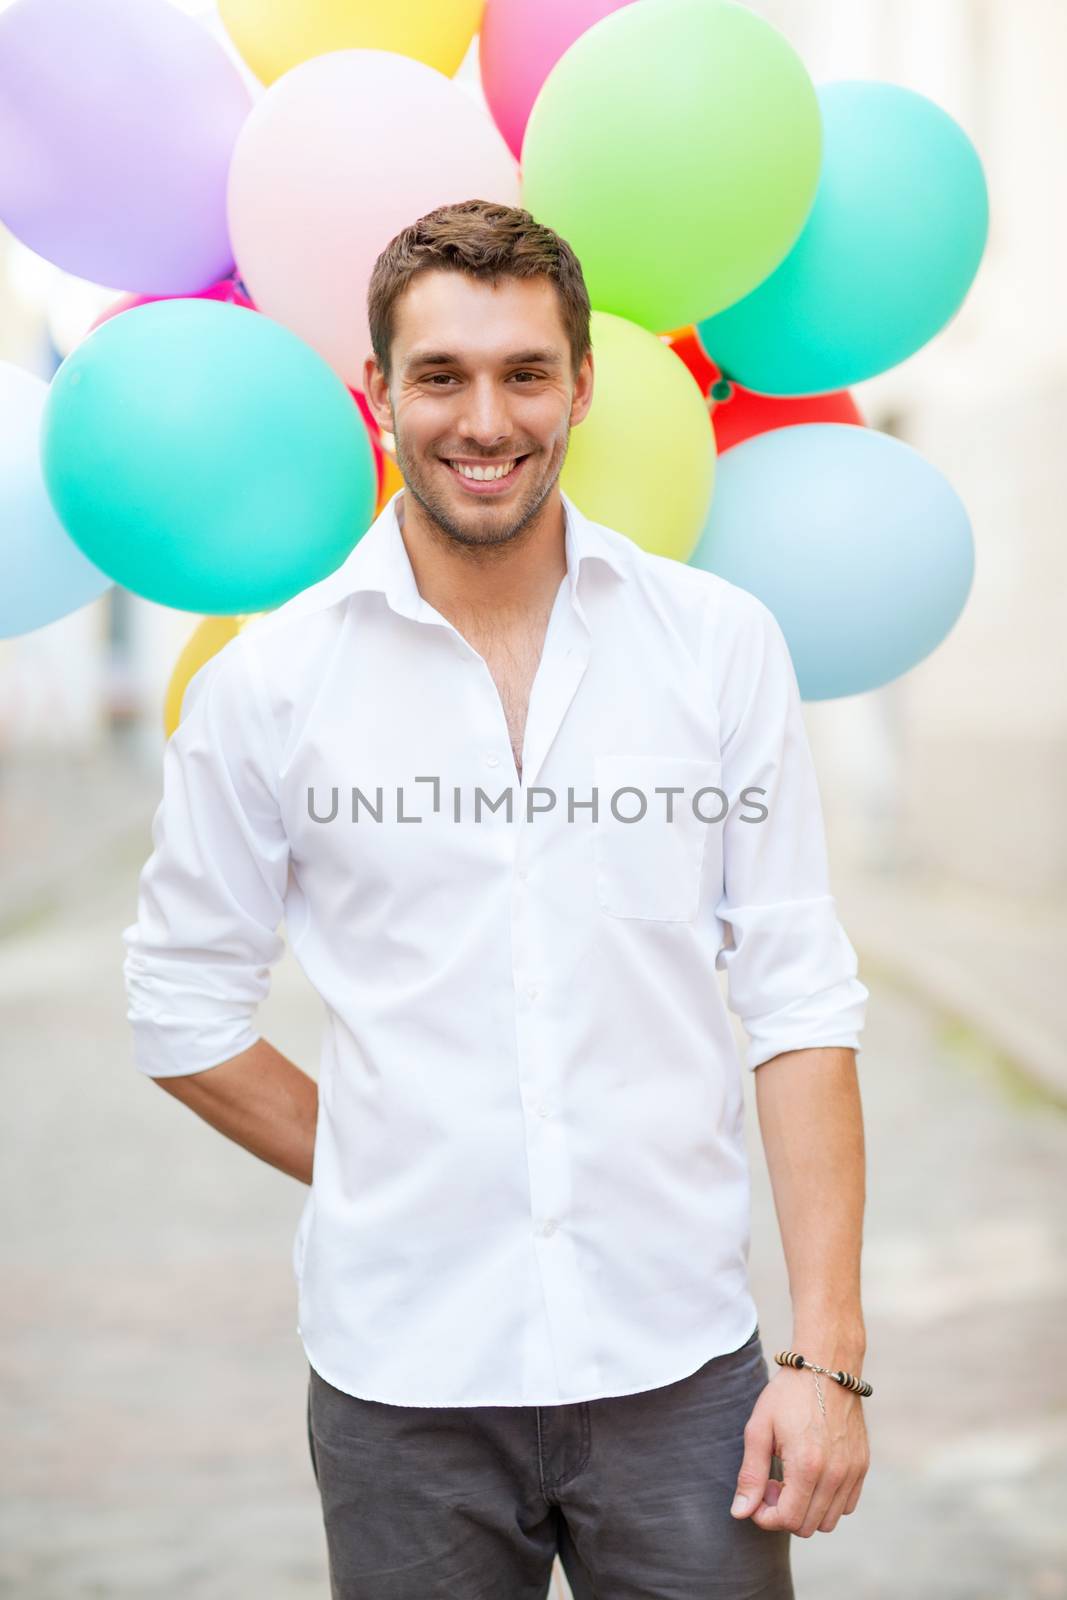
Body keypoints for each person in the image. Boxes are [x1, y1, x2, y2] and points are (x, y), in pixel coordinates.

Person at [122, 199, 871, 1600]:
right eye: (442, 376)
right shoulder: (269, 687)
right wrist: (403, 1163)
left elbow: (799, 999)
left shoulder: (716, 649)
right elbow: (180, 1010)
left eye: (526, 372)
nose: (487, 419)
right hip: (401, 1384)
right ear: (379, 394)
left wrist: (826, 1357)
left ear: (584, 384)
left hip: (682, 1370)